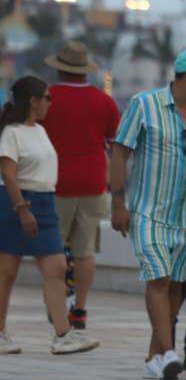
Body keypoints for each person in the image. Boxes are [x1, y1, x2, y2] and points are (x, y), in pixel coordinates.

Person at [111, 48, 186, 380]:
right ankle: (170, 350)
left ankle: (155, 356)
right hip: (149, 210)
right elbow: (119, 153)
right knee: (158, 279)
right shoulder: (143, 104)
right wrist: (118, 204)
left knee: (176, 286)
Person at [0, 77, 99, 355]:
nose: (50, 103)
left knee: (56, 268)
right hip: (18, 204)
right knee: (6, 272)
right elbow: (8, 174)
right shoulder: (12, 132)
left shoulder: (40, 131)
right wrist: (22, 209)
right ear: (33, 101)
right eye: (47, 98)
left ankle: (62, 334)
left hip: (45, 203)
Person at [41, 42, 120, 332]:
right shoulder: (104, 102)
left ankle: (58, 303)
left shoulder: (46, 99)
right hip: (94, 182)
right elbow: (113, 146)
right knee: (85, 251)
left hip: (54, 182)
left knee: (54, 249)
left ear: (59, 67)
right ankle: (81, 308)